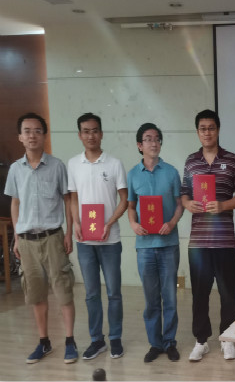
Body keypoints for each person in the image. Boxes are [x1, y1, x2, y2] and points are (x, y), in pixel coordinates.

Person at [4, 113, 78, 364]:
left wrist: (69, 233)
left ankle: (70, 341)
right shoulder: (15, 169)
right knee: (35, 294)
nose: (32, 135)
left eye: (37, 131)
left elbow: (67, 200)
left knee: (63, 291)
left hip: (53, 237)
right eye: (27, 131)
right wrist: (16, 236)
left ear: (44, 135)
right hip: (26, 241)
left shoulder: (57, 166)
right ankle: (44, 342)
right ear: (20, 137)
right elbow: (15, 203)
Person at [181, 109, 235, 362]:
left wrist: (223, 205)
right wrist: (188, 204)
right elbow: (184, 193)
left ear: (218, 130)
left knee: (228, 293)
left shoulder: (232, 160)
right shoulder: (191, 161)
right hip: (198, 242)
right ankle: (201, 341)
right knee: (199, 294)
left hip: (224, 240)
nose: (207, 132)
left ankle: (227, 338)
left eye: (211, 128)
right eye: (202, 128)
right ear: (197, 131)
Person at [68, 113, 128, 360]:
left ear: (101, 134)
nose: (90, 135)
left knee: (114, 292)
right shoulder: (73, 164)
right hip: (85, 241)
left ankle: (115, 338)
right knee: (91, 293)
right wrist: (75, 223)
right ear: (79, 135)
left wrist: (109, 223)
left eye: (94, 130)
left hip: (110, 240)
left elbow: (124, 200)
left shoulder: (114, 164)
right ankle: (96, 340)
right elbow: (73, 198)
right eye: (86, 131)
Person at [127, 123, 184, 363]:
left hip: (168, 243)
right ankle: (155, 343)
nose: (154, 142)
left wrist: (172, 223)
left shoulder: (171, 172)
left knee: (170, 297)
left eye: (157, 138)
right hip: (144, 247)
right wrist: (133, 224)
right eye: (148, 139)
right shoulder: (132, 174)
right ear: (140, 145)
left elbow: (180, 205)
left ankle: (170, 342)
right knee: (151, 299)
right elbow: (131, 206)